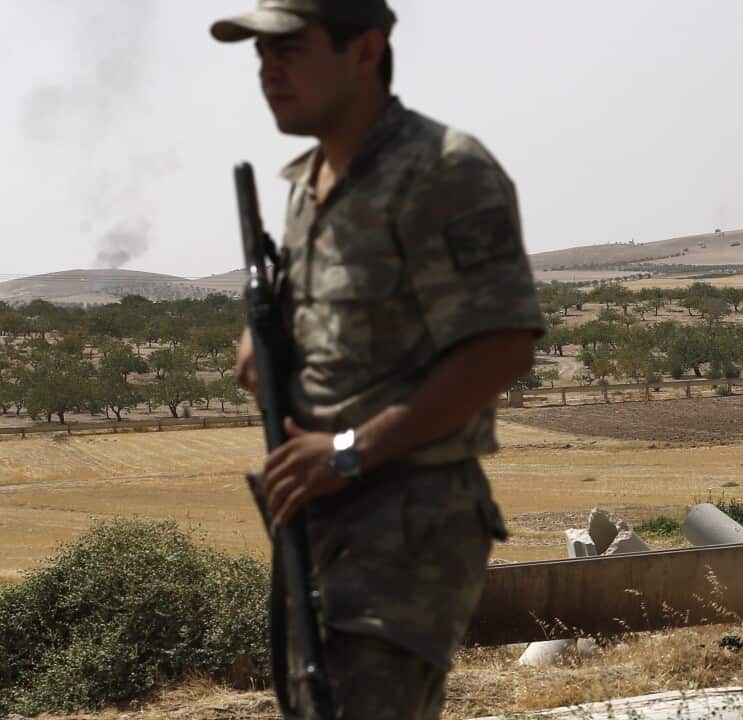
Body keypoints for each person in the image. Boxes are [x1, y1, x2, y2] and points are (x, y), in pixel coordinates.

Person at [212, 1, 545, 717]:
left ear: (364, 51)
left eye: (289, 50)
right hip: (319, 515)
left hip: (405, 524)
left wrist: (347, 451)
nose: (267, 71)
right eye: (260, 55)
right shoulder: (310, 184)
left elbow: (502, 345)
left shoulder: (442, 171)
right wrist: (266, 341)